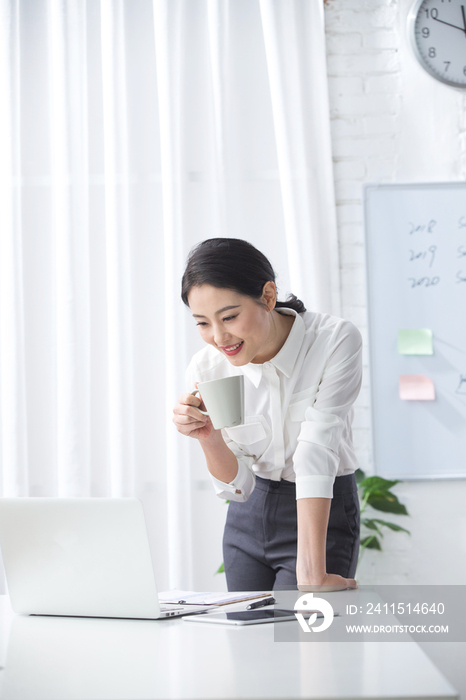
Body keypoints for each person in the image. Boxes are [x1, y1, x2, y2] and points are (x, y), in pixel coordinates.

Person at [173, 238, 361, 592]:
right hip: (248, 518)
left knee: (307, 638)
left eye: (229, 317)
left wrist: (311, 573)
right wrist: (209, 437)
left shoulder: (333, 340)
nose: (218, 337)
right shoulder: (208, 367)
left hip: (321, 509)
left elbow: (315, 451)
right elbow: (240, 488)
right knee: (247, 641)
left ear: (269, 296)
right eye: (202, 323)